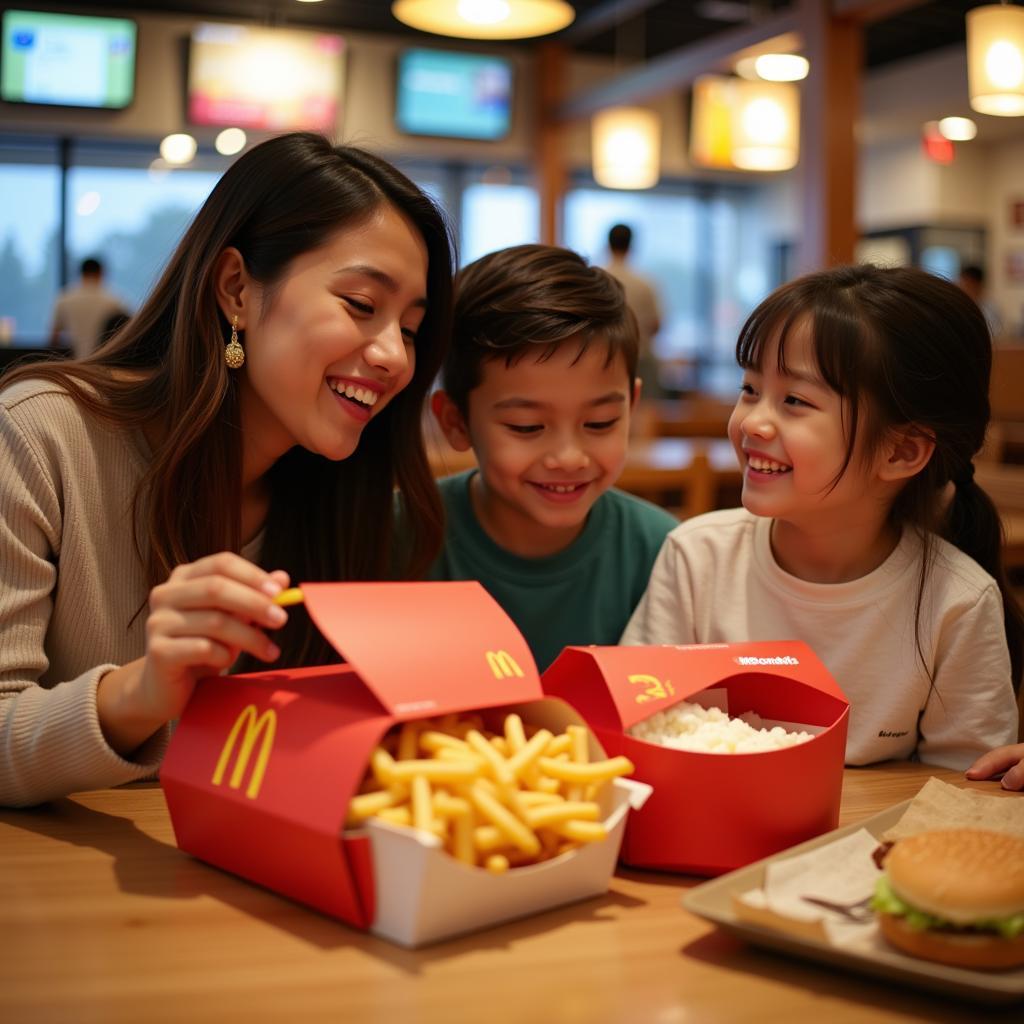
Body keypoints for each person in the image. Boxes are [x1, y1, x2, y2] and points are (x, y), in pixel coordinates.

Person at [0, 132, 455, 807]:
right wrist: (141, 690)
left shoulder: (345, 495)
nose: (394, 356)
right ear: (237, 288)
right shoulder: (41, 435)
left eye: (412, 329)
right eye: (361, 304)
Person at [621, 264, 1022, 771]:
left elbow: (965, 790)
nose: (752, 421)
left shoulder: (956, 603)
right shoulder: (698, 556)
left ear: (900, 452)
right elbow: (634, 727)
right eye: (749, 389)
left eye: (794, 400)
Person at [427, 244, 678, 671]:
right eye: (527, 427)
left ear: (631, 408)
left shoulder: (662, 552)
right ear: (456, 421)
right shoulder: (403, 535)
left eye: (599, 423)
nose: (568, 457)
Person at [603, 224, 664, 398]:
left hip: (605, 357)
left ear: (608, 245)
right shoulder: (645, 283)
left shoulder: (596, 280)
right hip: (640, 356)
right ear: (631, 247)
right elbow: (656, 325)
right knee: (645, 410)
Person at [49, 257, 128, 358]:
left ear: (80, 274)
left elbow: (54, 338)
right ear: (101, 273)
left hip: (76, 362)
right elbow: (130, 332)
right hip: (105, 362)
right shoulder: (115, 300)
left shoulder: (64, 298)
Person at [957, 264, 1003, 339]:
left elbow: (994, 334)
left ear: (976, 284)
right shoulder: (962, 304)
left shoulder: (990, 307)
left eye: (966, 283)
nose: (962, 287)